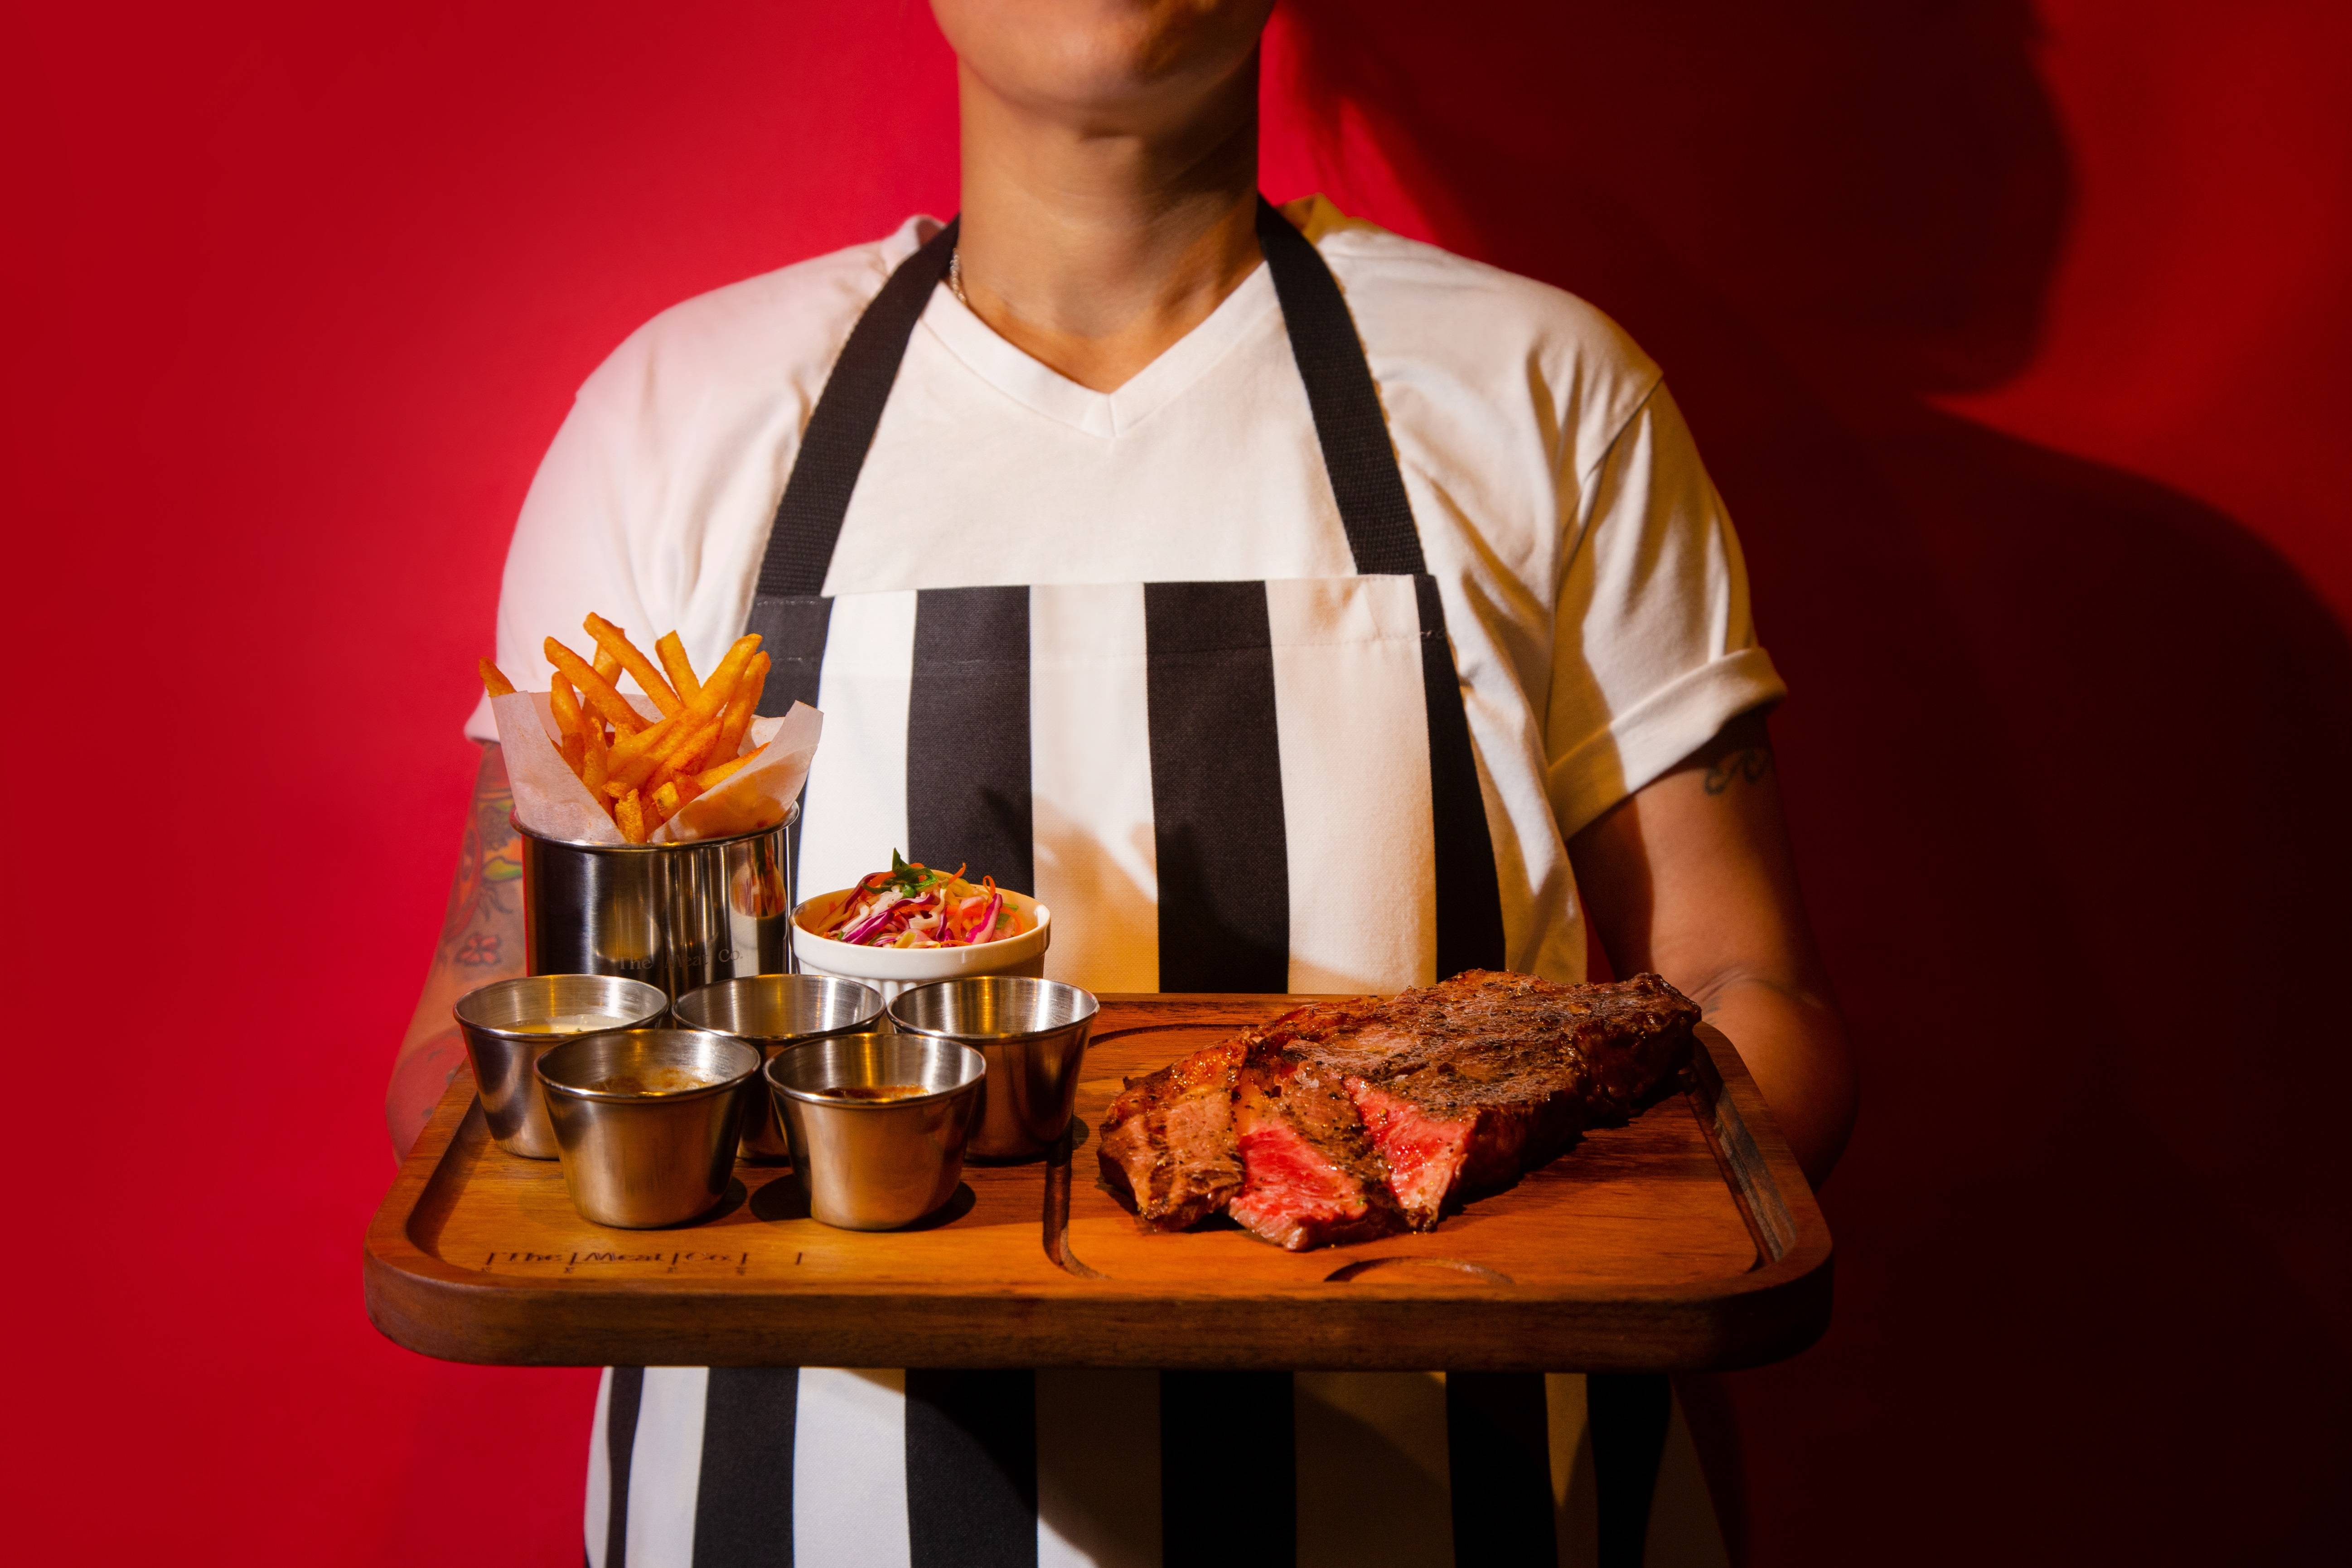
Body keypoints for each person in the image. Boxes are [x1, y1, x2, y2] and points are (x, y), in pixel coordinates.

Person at [389, 1, 1857, 1562]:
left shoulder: (1548, 394)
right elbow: (468, 1039)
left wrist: (1514, 1177)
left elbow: (1745, 986)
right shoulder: (674, 420)